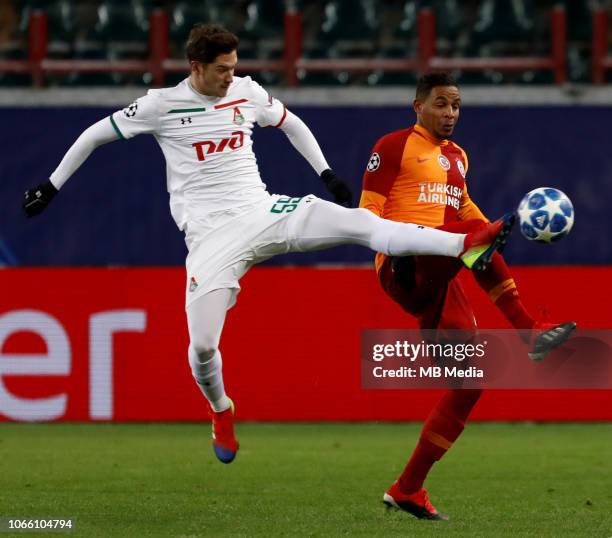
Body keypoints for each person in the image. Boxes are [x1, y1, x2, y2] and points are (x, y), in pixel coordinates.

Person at [23, 27, 513, 466]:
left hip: (263, 212)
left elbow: (291, 123)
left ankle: (465, 241)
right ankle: (221, 410)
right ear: (196, 68)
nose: (231, 77)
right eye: (221, 70)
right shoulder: (160, 106)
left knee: (364, 224)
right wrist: (51, 184)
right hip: (211, 239)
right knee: (202, 348)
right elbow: (94, 134)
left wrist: (324, 173)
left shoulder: (246, 91)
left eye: (234, 68)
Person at [359, 72, 576, 520]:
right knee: (475, 240)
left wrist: (501, 229)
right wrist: (397, 245)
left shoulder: (458, 157)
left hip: (442, 276)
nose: (451, 113)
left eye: (456, 105)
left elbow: (464, 212)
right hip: (403, 267)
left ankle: (407, 489)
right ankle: (528, 331)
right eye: (441, 104)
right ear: (417, 106)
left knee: (468, 386)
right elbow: (366, 216)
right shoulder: (393, 146)